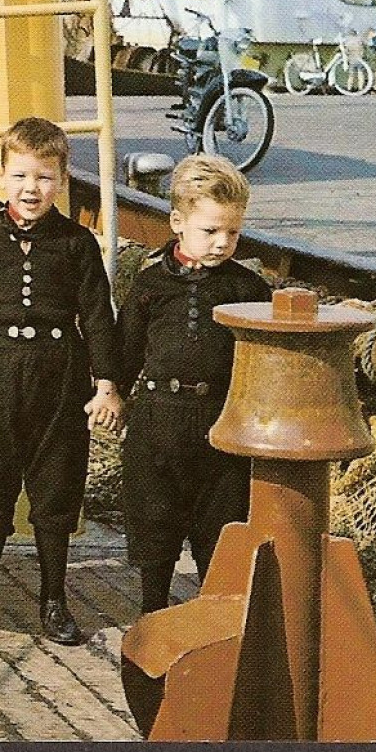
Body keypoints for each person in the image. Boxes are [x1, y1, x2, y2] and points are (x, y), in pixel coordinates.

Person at [0, 117, 124, 646]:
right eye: (22, 176)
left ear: (62, 180)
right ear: (3, 178)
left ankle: (54, 599)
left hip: (59, 373)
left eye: (45, 178)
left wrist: (106, 384)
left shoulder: (76, 244)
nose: (32, 189)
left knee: (55, 486)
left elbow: (97, 315)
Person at [116, 154, 270, 613]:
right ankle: (152, 614)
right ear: (178, 222)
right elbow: (126, 352)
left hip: (220, 424)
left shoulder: (248, 290)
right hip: (157, 421)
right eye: (211, 231)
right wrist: (112, 392)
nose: (223, 243)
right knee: (156, 525)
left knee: (219, 527)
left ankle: (216, 618)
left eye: (233, 233)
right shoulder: (149, 285)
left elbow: (261, 360)